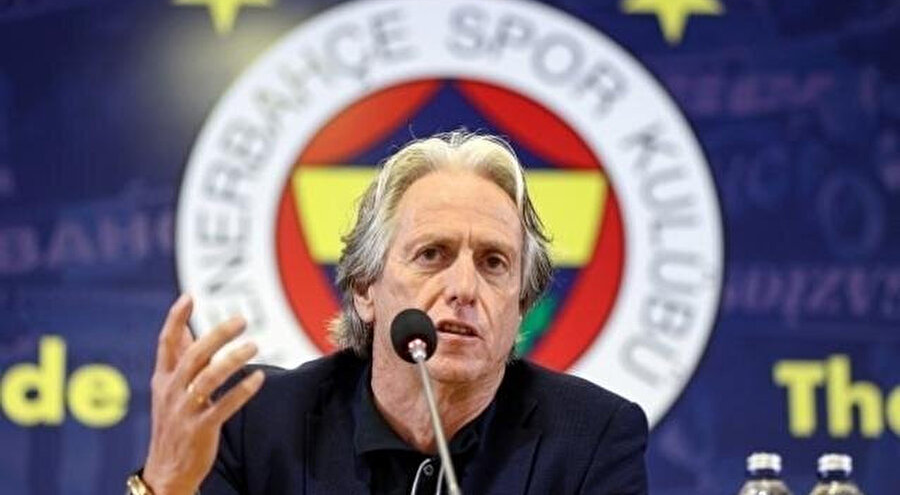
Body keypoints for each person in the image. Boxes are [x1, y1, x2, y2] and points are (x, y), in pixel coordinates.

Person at [129, 132, 648, 495]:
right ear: (364, 288)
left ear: (521, 306)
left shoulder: (591, 438)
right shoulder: (254, 423)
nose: (464, 289)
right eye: (432, 255)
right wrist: (165, 486)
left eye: (494, 263)